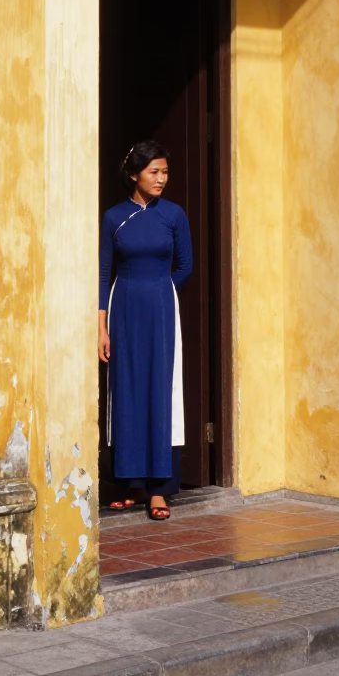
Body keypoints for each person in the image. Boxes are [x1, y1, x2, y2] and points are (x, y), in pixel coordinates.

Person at [98, 140, 193, 519]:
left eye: (165, 172)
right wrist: (101, 327)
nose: (162, 179)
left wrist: (162, 292)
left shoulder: (173, 215)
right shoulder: (113, 217)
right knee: (126, 390)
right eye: (155, 172)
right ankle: (130, 483)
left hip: (162, 307)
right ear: (134, 174)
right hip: (123, 309)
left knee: (161, 388)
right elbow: (104, 272)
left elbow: (185, 266)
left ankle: (160, 489)